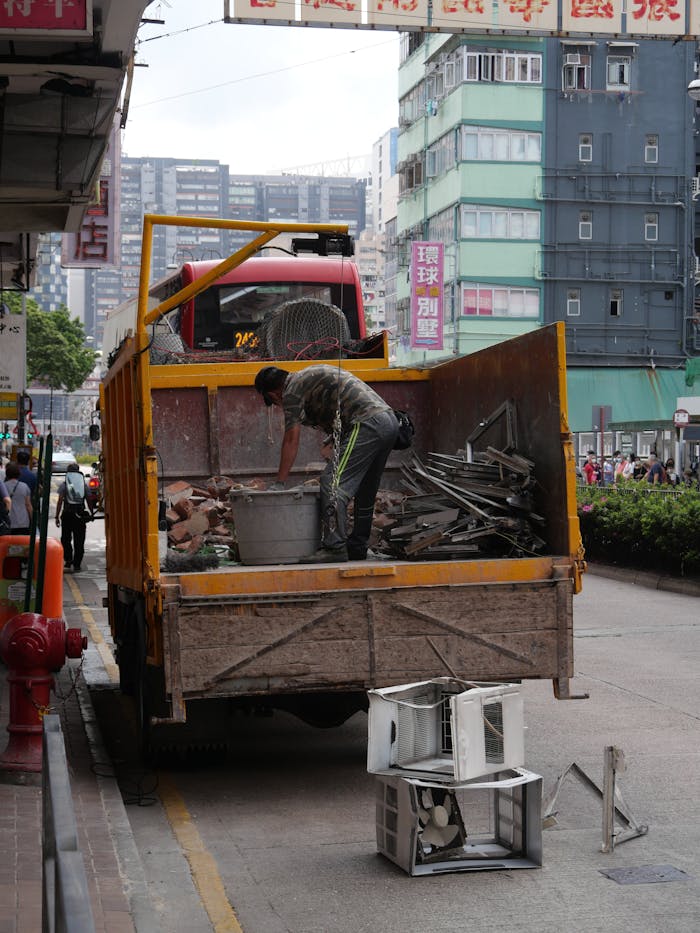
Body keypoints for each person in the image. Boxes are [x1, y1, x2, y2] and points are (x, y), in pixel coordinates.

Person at [254, 364, 399, 562]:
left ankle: (334, 547)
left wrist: (279, 482)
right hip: (388, 422)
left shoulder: (291, 390)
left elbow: (291, 439)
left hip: (366, 424)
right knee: (365, 488)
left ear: (273, 395)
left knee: (332, 482)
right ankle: (357, 546)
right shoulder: (306, 378)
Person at [55, 463, 88, 572]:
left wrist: (57, 516)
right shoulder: (84, 485)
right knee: (79, 540)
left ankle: (68, 560)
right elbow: (89, 499)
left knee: (65, 539)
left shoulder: (64, 485)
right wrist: (91, 512)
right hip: (79, 515)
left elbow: (60, 501)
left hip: (67, 515)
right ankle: (77, 563)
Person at [3, 461, 32, 533]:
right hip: (23, 522)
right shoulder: (24, 486)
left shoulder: (3, 487)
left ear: (7, 474)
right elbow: (28, 505)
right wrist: (32, 519)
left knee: (8, 543)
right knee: (22, 543)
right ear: (19, 474)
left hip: (8, 522)